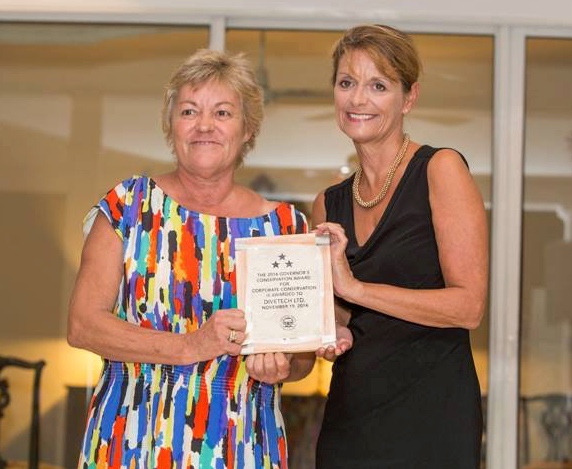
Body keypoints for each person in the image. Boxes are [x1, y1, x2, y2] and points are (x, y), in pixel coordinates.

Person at [67, 49, 317, 469]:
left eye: (222, 112)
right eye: (189, 111)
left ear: (247, 128)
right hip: (131, 440)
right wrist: (189, 346)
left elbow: (303, 356)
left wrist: (283, 368)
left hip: (242, 444)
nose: (205, 126)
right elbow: (82, 325)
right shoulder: (128, 206)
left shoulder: (287, 226)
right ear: (171, 125)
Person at [313, 24, 489, 468]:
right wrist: (332, 328)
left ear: (408, 97)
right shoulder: (327, 203)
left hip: (433, 414)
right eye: (347, 82)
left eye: (378, 85)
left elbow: (468, 307)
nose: (358, 100)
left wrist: (355, 289)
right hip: (351, 414)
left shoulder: (440, 169)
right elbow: (339, 312)